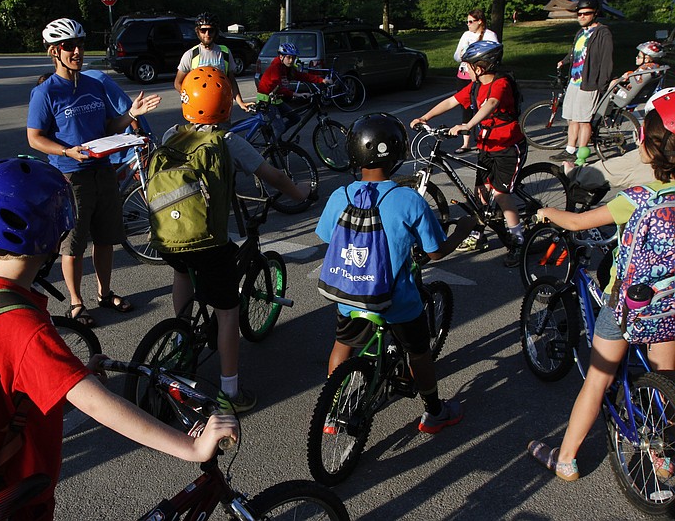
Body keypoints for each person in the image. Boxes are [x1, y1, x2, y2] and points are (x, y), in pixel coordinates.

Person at [0, 156, 238, 520]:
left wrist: (69, 372)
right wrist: (191, 447)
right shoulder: (24, 326)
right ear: (54, 232)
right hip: (19, 492)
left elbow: (13, 368)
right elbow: (97, 405)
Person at [528, 88, 675, 482]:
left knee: (598, 380)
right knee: (665, 379)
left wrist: (545, 211)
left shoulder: (639, 198)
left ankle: (566, 458)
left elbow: (577, 223)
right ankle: (663, 454)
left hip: (628, 306)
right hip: (671, 304)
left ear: (650, 146)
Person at [161, 67, 311, 413]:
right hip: (209, 242)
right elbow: (271, 175)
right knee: (227, 313)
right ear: (226, 105)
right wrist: (298, 192)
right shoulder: (228, 142)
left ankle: (183, 336)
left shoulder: (172, 133)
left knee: (182, 273)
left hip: (170, 235)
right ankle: (230, 391)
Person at [316, 113, 475, 433]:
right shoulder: (408, 200)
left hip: (350, 295)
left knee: (342, 346)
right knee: (419, 352)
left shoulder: (340, 195)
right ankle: (434, 412)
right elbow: (436, 252)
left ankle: (331, 413)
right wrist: (463, 229)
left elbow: (325, 236)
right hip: (395, 301)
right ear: (398, 153)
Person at [27, 18, 161, 328]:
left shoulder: (93, 84)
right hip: (71, 176)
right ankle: (76, 302)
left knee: (106, 238)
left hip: (103, 169)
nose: (76, 51)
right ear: (53, 52)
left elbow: (107, 128)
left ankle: (104, 293)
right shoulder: (46, 92)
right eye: (68, 47)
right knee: (74, 244)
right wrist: (65, 151)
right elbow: (34, 137)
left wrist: (130, 115)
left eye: (80, 45)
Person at [410, 40, 527, 268]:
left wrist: (468, 125)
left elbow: (491, 104)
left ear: (480, 68)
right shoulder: (474, 87)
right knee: (480, 194)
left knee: (501, 195)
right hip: (486, 145)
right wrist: (425, 117)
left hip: (507, 147)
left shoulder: (500, 84)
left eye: (468, 66)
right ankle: (479, 235)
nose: (464, 70)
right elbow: (451, 101)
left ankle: (518, 240)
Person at [551, 0, 613, 166]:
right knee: (572, 118)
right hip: (575, 81)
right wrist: (564, 61)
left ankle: (581, 154)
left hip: (589, 83)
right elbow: (574, 53)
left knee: (584, 120)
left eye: (586, 14)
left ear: (595, 14)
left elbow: (606, 60)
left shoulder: (602, 33)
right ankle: (570, 150)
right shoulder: (581, 32)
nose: (582, 17)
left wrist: (602, 85)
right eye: (579, 14)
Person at [173, 12, 252, 114]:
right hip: (198, 112)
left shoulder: (225, 53)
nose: (207, 34)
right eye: (203, 30)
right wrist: (187, 96)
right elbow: (177, 83)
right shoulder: (191, 55)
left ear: (216, 32)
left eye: (211, 30)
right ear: (198, 31)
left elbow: (231, 81)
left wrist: (240, 102)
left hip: (222, 111)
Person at [256, 42, 331, 135]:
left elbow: (302, 76)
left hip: (276, 99)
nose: (291, 60)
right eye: (288, 57)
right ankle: (273, 146)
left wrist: (321, 80)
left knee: (295, 118)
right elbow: (278, 88)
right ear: (281, 57)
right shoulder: (275, 68)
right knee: (280, 128)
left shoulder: (286, 67)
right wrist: (296, 94)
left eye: (293, 58)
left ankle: (276, 138)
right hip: (266, 100)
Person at [452, 8, 498, 154]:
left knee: (482, 106)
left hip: (480, 76)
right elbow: (456, 56)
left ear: (480, 21)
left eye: (471, 21)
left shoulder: (490, 35)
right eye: (467, 21)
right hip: (464, 75)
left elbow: (494, 55)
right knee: (465, 106)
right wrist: (465, 55)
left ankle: (483, 138)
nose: (468, 24)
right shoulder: (466, 35)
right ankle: (465, 142)